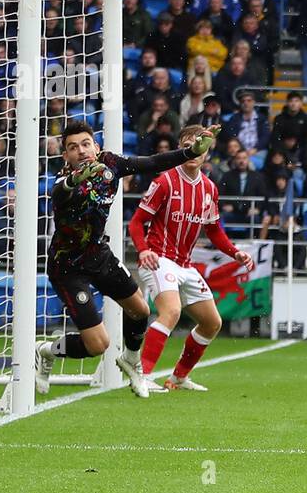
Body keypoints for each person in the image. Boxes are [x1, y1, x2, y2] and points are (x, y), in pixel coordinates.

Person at [35, 121, 218, 398]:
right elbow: (61, 193)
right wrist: (76, 178)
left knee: (140, 311)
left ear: (96, 147)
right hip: (68, 267)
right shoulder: (63, 181)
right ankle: (46, 351)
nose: (81, 151)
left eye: (86, 144)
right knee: (98, 344)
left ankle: (132, 361)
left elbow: (152, 162)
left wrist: (189, 153)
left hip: (100, 256)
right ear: (66, 156)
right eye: (73, 148)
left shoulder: (111, 163)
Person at [128, 125, 256, 389]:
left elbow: (214, 231)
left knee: (212, 323)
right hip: (158, 258)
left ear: (207, 153)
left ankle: (179, 377)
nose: (195, 150)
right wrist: (144, 250)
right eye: (190, 143)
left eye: (201, 145)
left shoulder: (209, 189)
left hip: (185, 265)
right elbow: (136, 223)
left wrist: (236, 252)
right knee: (171, 312)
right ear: (181, 148)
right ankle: (143, 375)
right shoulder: (164, 182)